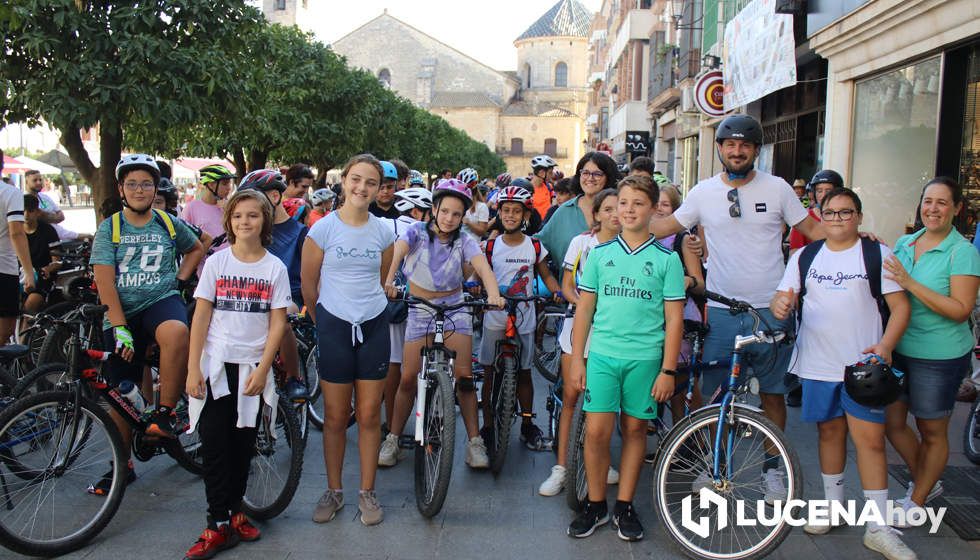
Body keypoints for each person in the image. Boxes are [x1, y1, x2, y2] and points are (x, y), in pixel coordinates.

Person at [649, 114, 824, 503]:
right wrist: (617, 218)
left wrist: (858, 239)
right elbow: (664, 228)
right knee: (711, 394)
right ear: (720, 149)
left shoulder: (778, 189)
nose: (738, 151)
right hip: (724, 310)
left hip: (772, 309)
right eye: (731, 145)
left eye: (745, 145)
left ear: (755, 150)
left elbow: (813, 233)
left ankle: (771, 470)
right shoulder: (703, 192)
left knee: (774, 395)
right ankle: (715, 464)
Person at [771, 187, 915, 559]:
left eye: (845, 212)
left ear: (859, 217)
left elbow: (900, 308)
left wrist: (884, 347)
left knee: (869, 441)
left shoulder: (876, 254)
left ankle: (879, 527)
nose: (837, 219)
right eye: (830, 212)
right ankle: (833, 507)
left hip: (863, 367)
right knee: (829, 433)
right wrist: (781, 305)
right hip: (817, 363)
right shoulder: (805, 256)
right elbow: (781, 299)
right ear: (820, 216)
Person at [567, 175, 685, 541]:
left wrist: (668, 370)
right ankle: (596, 503)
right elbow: (584, 311)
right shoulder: (599, 254)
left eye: (638, 203)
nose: (629, 209)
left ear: (653, 210)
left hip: (646, 360)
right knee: (598, 432)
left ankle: (625, 504)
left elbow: (674, 318)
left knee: (635, 430)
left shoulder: (668, 259)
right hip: (602, 356)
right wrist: (577, 359)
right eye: (623, 202)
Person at [88, 154, 204, 494]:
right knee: (120, 394)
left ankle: (165, 413)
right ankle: (121, 466)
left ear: (156, 189)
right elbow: (105, 282)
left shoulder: (167, 223)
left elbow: (196, 248)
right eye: (133, 184)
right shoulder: (109, 227)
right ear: (122, 189)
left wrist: (181, 281)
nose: (140, 190)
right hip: (121, 309)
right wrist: (119, 326)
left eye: (147, 184)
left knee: (177, 331)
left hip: (160, 301)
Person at [183, 189, 289, 559]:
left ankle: (236, 512)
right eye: (238, 215)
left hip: (251, 369)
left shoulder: (274, 268)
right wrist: (193, 367)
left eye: (253, 216)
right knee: (215, 444)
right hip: (216, 366)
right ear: (228, 221)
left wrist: (263, 369)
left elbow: (278, 323)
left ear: (265, 222)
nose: (245, 222)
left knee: (243, 445)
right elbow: (201, 316)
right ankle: (217, 523)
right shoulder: (216, 263)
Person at [381, 179, 504, 469]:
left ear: (463, 217)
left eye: (457, 214)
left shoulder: (465, 240)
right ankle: (393, 439)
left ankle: (475, 444)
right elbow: (399, 251)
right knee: (408, 377)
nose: (449, 218)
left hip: (455, 307)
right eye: (445, 211)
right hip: (420, 307)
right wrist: (389, 280)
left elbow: (482, 266)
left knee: (464, 379)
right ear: (434, 208)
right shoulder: (415, 232)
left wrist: (494, 295)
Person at [302, 154, 395, 526]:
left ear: (378, 189)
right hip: (334, 325)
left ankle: (367, 492)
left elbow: (384, 274)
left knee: (371, 414)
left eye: (370, 183)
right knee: (337, 416)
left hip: (373, 324)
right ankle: (335, 490)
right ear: (344, 180)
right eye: (356, 179)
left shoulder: (384, 231)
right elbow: (308, 285)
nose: (362, 188)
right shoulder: (322, 230)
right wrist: (325, 316)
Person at [883, 177, 980, 520]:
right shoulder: (906, 242)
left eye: (942, 203)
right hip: (901, 348)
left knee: (931, 429)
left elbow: (960, 309)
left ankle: (918, 500)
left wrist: (910, 283)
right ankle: (929, 477)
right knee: (892, 422)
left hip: (939, 356)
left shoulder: (962, 252)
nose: (933, 209)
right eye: (928, 201)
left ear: (956, 209)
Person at [538, 188, 621, 496]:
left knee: (604, 402)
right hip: (578, 326)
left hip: (613, 332)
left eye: (619, 208)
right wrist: (582, 304)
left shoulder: (630, 248)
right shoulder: (581, 243)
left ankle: (600, 460)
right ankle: (561, 467)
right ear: (596, 214)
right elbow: (568, 283)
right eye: (608, 209)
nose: (614, 214)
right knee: (572, 397)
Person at [478, 186, 561, 451]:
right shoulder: (490, 246)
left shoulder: (534, 245)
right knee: (489, 371)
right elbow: (479, 275)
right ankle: (488, 425)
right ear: (499, 213)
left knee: (524, 373)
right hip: (495, 317)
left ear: (526, 214)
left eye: (517, 211)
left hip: (524, 315)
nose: (511, 216)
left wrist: (558, 291)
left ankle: (527, 424)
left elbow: (545, 275)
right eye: (505, 211)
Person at [236, 169, 310, 402]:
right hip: (253, 295)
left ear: (274, 197)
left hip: (290, 298)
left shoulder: (300, 233)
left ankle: (293, 378)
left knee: (282, 320)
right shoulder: (251, 230)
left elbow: (309, 278)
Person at [377, 187, 433, 464]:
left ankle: (391, 426)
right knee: (406, 365)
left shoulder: (384, 224)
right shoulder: (421, 228)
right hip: (420, 301)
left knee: (394, 363)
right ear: (416, 211)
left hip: (393, 301)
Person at [535, 152, 620, 282]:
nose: (590, 178)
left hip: (614, 296)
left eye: (597, 174)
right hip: (573, 298)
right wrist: (553, 286)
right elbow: (537, 247)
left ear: (608, 177)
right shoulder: (564, 211)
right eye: (585, 173)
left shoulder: (622, 210)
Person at [0, 153, 34, 346]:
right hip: (4, 269)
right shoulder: (10, 193)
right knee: (4, 334)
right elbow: (17, 233)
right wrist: (29, 271)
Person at [182, 164, 236, 264]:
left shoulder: (231, 207)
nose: (229, 188)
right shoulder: (191, 208)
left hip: (229, 267)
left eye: (230, 184)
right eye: (225, 183)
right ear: (211, 184)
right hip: (203, 270)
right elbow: (185, 241)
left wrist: (230, 212)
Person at [21, 194, 61, 313]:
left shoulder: (48, 231)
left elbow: (57, 261)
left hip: (42, 279)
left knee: (30, 305)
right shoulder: (15, 232)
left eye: (30, 211)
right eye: (22, 211)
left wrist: (47, 269)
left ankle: (25, 331)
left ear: (38, 212)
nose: (26, 215)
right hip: (18, 278)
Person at [789, 170, 844, 253]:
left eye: (828, 191)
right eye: (819, 191)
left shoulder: (845, 216)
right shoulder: (804, 218)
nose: (823, 195)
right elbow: (794, 253)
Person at [457, 168, 489, 240]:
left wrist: (468, 223)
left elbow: (482, 232)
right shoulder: (456, 205)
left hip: (472, 248)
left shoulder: (482, 207)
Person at [530, 155, 557, 221]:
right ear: (541, 173)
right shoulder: (527, 189)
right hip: (534, 227)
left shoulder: (549, 187)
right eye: (550, 173)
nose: (552, 175)